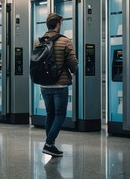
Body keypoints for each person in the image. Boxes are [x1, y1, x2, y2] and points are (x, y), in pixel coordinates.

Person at [34, 13, 78, 157]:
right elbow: (72, 63)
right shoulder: (65, 41)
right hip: (60, 85)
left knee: (50, 114)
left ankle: (50, 145)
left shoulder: (38, 42)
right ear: (58, 24)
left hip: (44, 85)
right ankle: (49, 143)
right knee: (60, 115)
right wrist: (75, 69)